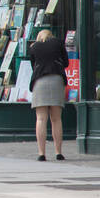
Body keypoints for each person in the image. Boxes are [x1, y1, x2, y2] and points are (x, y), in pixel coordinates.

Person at [28, 28, 68, 161]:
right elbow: (66, 63)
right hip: (56, 80)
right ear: (51, 36)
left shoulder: (34, 47)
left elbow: (33, 66)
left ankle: (41, 153)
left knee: (40, 119)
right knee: (56, 119)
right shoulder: (58, 43)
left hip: (40, 82)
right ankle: (58, 152)